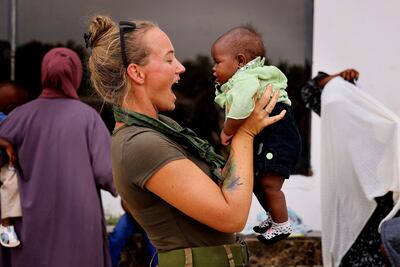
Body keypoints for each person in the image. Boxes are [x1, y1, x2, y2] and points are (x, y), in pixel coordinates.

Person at [85, 15, 285, 267]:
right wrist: (245, 133)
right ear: (136, 72)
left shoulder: (162, 129)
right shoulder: (140, 144)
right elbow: (232, 216)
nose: (181, 67)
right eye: (169, 58)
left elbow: (224, 183)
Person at [0, 47, 116, 267]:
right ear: (76, 76)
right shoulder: (88, 118)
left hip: (29, 227)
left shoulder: (20, 116)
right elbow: (108, 173)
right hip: (81, 227)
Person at [211, 25, 302, 244]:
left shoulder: (245, 79)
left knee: (270, 185)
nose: (213, 68)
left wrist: (227, 130)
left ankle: (282, 225)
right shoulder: (246, 78)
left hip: (279, 138)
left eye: (217, 61)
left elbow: (242, 108)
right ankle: (274, 218)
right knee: (256, 183)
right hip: (270, 137)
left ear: (240, 61)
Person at [301, 69, 400, 267]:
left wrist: (392, 242)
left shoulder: (383, 137)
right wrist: (335, 78)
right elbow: (308, 92)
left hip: (378, 242)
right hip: (350, 240)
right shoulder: (339, 138)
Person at [0, 81, 28, 248]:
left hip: (5, 162)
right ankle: (6, 224)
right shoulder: (5, 119)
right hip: (3, 164)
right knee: (11, 183)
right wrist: (7, 146)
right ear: (12, 107)